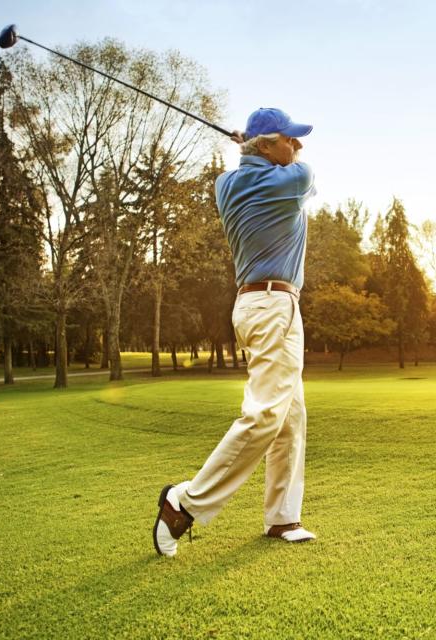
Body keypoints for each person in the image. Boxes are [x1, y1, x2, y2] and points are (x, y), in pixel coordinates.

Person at [153, 108, 317, 557]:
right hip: (274, 305)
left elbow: (258, 164)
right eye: (290, 139)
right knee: (265, 414)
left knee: (290, 416)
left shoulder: (225, 185)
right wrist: (254, 147)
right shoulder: (287, 181)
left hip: (253, 305)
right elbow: (307, 175)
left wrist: (252, 149)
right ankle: (184, 503)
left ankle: (283, 518)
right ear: (266, 146)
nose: (297, 146)